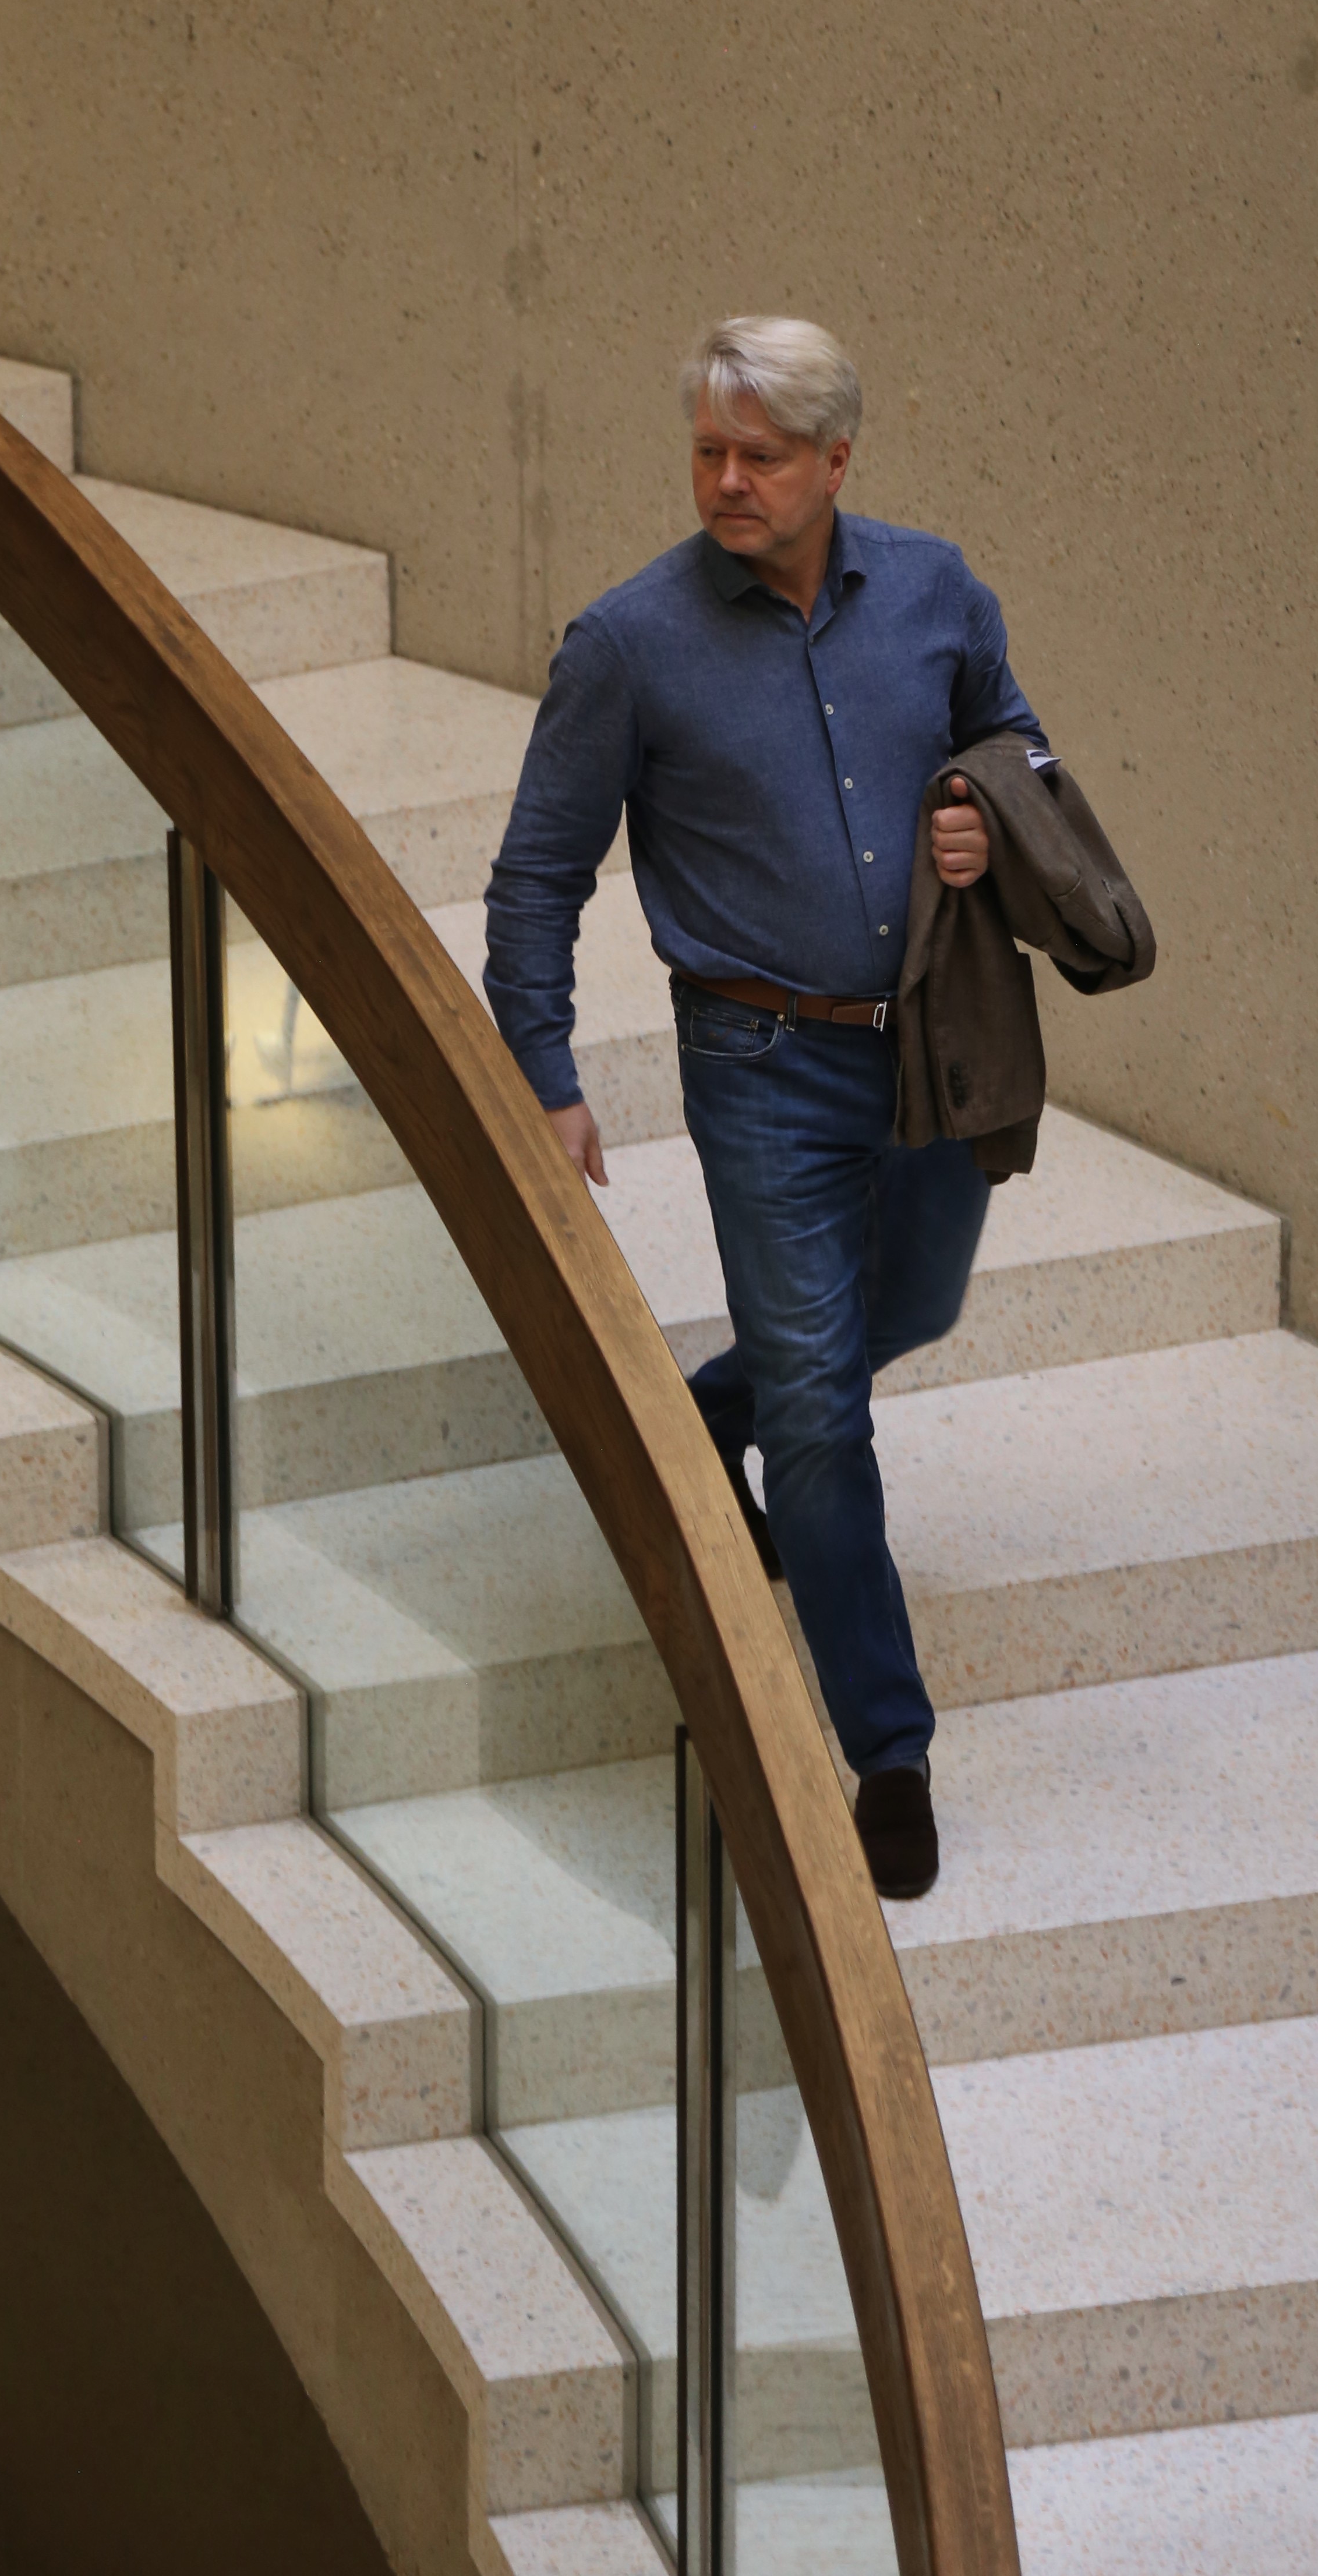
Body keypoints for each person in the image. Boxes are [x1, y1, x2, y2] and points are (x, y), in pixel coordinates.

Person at [483, 316, 1045, 1897]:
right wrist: (545, 1075)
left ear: (837, 463)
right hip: (760, 1062)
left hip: (933, 1045)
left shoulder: (934, 589)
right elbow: (536, 876)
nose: (727, 482)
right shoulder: (629, 642)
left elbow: (1018, 737)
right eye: (708, 454)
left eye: (763, 457)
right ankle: (888, 1751)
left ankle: (698, 1421)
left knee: (910, 1309)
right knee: (823, 1403)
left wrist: (986, 823)